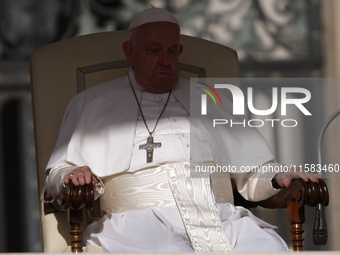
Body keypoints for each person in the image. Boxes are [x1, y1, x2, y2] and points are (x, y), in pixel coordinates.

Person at [46, 7, 320, 252]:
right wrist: (73, 173)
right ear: (130, 52)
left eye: (172, 51)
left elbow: (252, 175)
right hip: (138, 227)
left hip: (222, 219)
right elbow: (57, 173)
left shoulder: (214, 100)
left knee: (267, 247)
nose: (165, 60)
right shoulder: (92, 103)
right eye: (154, 51)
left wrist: (277, 176)